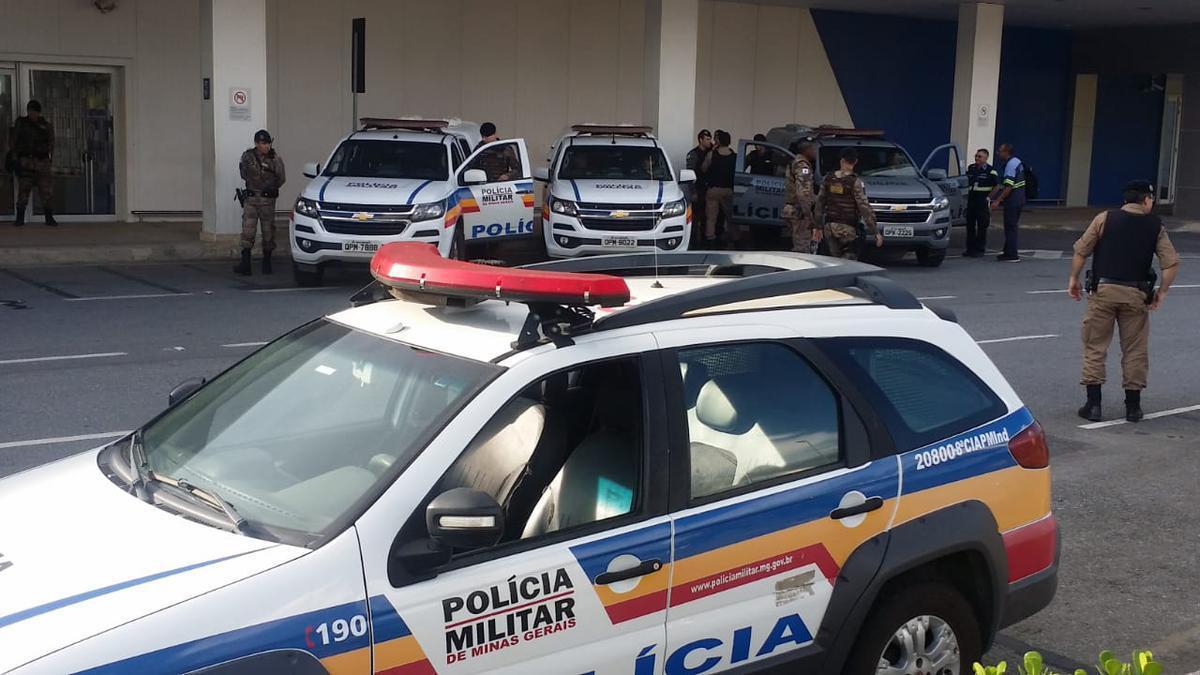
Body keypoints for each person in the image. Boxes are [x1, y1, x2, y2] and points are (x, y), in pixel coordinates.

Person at [1068, 180, 1179, 423]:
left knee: (1095, 346)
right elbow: (1170, 263)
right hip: (1136, 295)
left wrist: (1074, 278)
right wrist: (1163, 291)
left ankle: (1093, 405)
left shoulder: (1105, 218)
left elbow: (1081, 251)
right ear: (1146, 200)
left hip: (1104, 291)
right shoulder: (1155, 226)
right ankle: (1133, 407)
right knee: (1135, 350)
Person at [235, 129, 286, 276]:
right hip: (251, 199)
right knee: (247, 230)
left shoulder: (275, 158)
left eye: (268, 143)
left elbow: (281, 178)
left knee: (268, 231)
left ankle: (267, 264)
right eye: (263, 143)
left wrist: (269, 187)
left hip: (267, 200)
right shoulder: (248, 156)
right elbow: (244, 174)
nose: (266, 146)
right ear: (257, 143)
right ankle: (245, 264)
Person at [816, 148, 881, 260]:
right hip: (848, 228)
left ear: (841, 161)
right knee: (848, 263)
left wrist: (817, 226)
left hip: (830, 227)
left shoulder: (828, 178)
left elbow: (819, 203)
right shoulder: (855, 182)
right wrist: (875, 231)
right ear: (855, 161)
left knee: (831, 262)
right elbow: (863, 207)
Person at [9, 100, 56, 227]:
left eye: (34, 111)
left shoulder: (45, 126)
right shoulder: (22, 124)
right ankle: (20, 218)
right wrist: (15, 159)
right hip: (27, 162)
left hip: (42, 162)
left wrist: (49, 159)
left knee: (46, 191)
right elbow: (13, 142)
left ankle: (49, 217)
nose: (31, 114)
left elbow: (51, 143)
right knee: (24, 191)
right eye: (30, 111)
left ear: (38, 112)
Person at [701, 129, 737, 248]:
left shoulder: (712, 154)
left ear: (719, 141)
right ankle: (734, 237)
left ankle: (710, 237)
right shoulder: (734, 156)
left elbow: (704, 168)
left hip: (713, 190)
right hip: (728, 190)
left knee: (711, 217)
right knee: (730, 217)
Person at [990, 143, 1025, 262]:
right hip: (1020, 198)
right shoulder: (1017, 161)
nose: (998, 153)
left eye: (1000, 151)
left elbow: (1009, 186)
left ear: (1006, 152)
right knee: (1011, 226)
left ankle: (1012, 254)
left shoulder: (1010, 165)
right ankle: (1007, 251)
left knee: (1010, 227)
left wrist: (998, 200)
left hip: (1013, 200)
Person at [783, 138, 818, 253]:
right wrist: (808, 214)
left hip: (792, 210)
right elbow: (803, 193)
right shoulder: (803, 166)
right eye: (813, 148)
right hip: (800, 212)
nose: (815, 151)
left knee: (797, 243)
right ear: (806, 150)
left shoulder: (794, 162)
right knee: (802, 249)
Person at [963, 148, 998, 257]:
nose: (977, 158)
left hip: (982, 202)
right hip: (971, 201)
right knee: (970, 226)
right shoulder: (971, 168)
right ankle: (970, 249)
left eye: (980, 156)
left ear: (986, 158)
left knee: (982, 226)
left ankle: (979, 249)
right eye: (976, 156)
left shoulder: (991, 171)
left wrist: (988, 198)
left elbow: (996, 186)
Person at [685, 129, 713, 244]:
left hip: (709, 188)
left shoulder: (711, 152)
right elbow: (690, 175)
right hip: (698, 188)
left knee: (708, 216)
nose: (709, 141)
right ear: (700, 140)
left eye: (710, 139)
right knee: (696, 216)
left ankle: (706, 238)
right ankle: (694, 240)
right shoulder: (694, 154)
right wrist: (693, 192)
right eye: (707, 139)